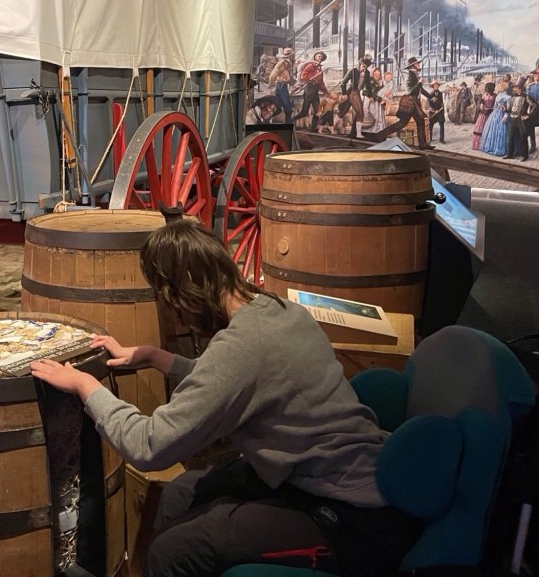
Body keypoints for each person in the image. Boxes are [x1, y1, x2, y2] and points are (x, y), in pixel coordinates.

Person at [30, 216, 422, 577]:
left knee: (173, 552)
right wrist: (155, 356)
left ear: (179, 293)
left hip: (353, 517)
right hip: (318, 474)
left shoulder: (240, 348)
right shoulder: (278, 310)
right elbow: (237, 381)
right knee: (180, 493)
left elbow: (149, 446)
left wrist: (86, 387)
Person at [291, 51, 328, 131]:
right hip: (309, 90)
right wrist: (313, 77)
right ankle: (291, 121)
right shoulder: (310, 66)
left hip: (315, 91)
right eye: (319, 56)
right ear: (315, 57)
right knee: (304, 112)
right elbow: (303, 76)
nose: (320, 58)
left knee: (317, 111)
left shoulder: (319, 68)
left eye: (321, 57)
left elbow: (321, 82)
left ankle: (313, 129)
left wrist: (325, 91)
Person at [504, 82, 531, 161]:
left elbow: (534, 105)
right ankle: (510, 154)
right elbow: (509, 110)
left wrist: (528, 115)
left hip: (521, 120)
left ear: (520, 88)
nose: (514, 89)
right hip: (513, 119)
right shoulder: (512, 97)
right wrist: (504, 108)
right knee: (511, 137)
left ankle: (525, 156)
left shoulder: (526, 97)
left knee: (523, 137)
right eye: (513, 87)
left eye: (515, 87)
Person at [268, 48, 294, 123]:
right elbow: (273, 75)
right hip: (281, 85)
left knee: (279, 104)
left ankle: (285, 121)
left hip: (283, 85)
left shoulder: (287, 63)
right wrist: (271, 85)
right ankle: (288, 122)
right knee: (287, 106)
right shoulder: (281, 64)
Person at [473, 81, 496, 151]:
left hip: (491, 114)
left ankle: (487, 145)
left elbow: (496, 106)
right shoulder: (484, 95)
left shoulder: (495, 95)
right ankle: (478, 145)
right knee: (480, 128)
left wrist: (490, 108)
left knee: (489, 129)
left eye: (487, 88)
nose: (486, 89)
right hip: (483, 114)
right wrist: (482, 106)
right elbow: (482, 102)